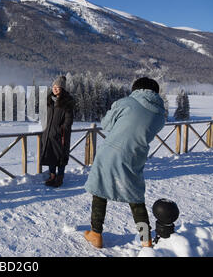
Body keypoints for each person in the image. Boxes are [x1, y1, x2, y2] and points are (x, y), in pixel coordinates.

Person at [83, 77, 166, 248]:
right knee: (136, 200)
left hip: (110, 153)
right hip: (135, 157)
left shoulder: (126, 102)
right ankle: (145, 239)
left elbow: (106, 124)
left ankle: (96, 234)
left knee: (100, 192)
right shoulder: (160, 115)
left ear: (136, 89)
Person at [41, 75, 75, 188]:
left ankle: (60, 178)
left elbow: (68, 120)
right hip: (48, 133)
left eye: (58, 87)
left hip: (61, 135)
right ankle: (52, 176)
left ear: (63, 89)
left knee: (60, 156)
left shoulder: (67, 102)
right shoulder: (49, 100)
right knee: (50, 155)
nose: (55, 89)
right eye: (54, 86)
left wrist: (61, 130)